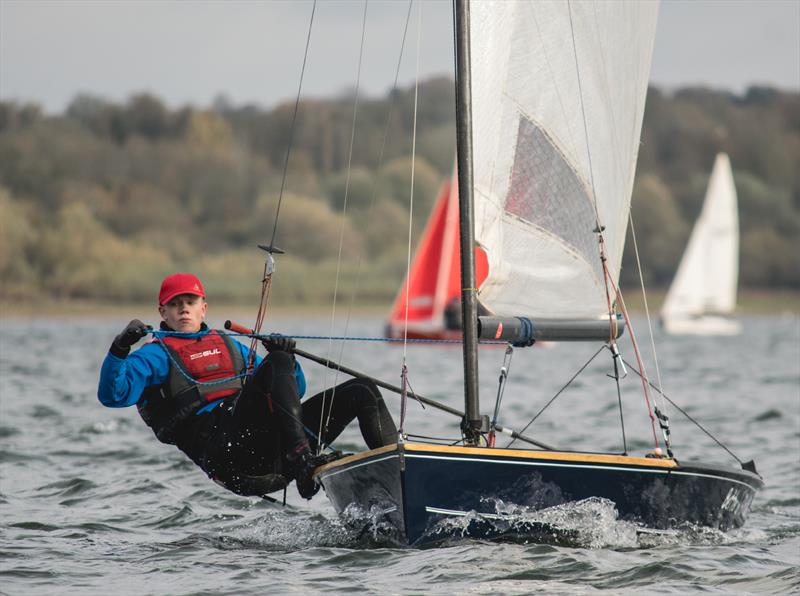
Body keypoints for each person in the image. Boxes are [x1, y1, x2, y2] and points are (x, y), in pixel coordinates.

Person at [98, 272, 398, 500]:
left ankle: (400, 479)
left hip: (275, 448)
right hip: (230, 456)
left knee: (363, 391)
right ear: (163, 313)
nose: (183, 309)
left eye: (190, 303)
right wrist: (120, 347)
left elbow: (295, 390)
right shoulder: (154, 355)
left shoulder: (230, 345)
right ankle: (304, 462)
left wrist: (286, 357)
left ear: (204, 308)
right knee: (278, 361)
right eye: (175, 305)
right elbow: (113, 396)